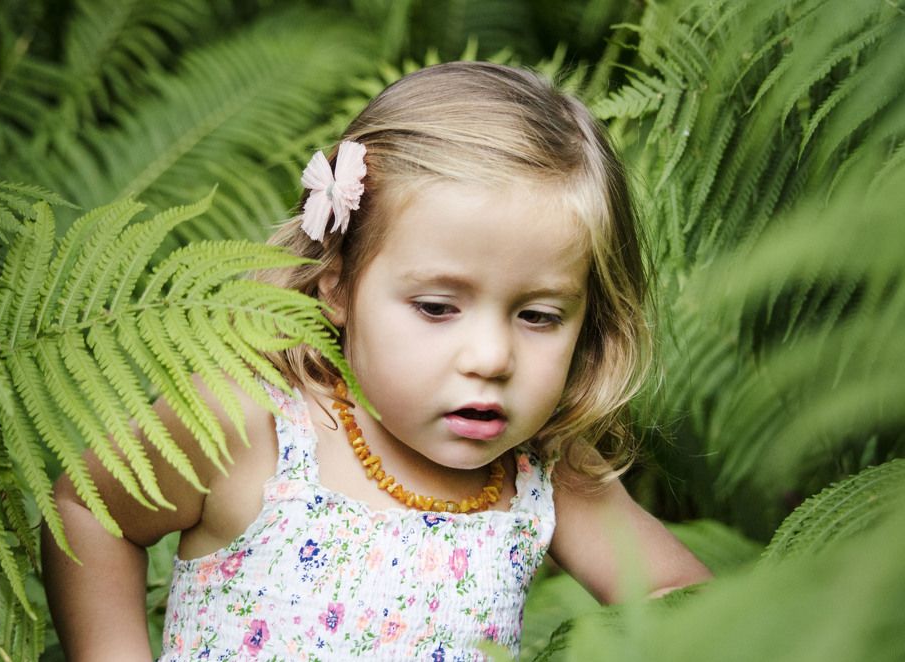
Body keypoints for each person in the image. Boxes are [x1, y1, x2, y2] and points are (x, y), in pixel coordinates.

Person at [42, 61, 712, 661]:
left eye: (537, 316)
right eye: (437, 307)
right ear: (338, 283)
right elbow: (91, 509)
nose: (491, 357)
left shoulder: (545, 469)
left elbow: (681, 596)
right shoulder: (257, 426)